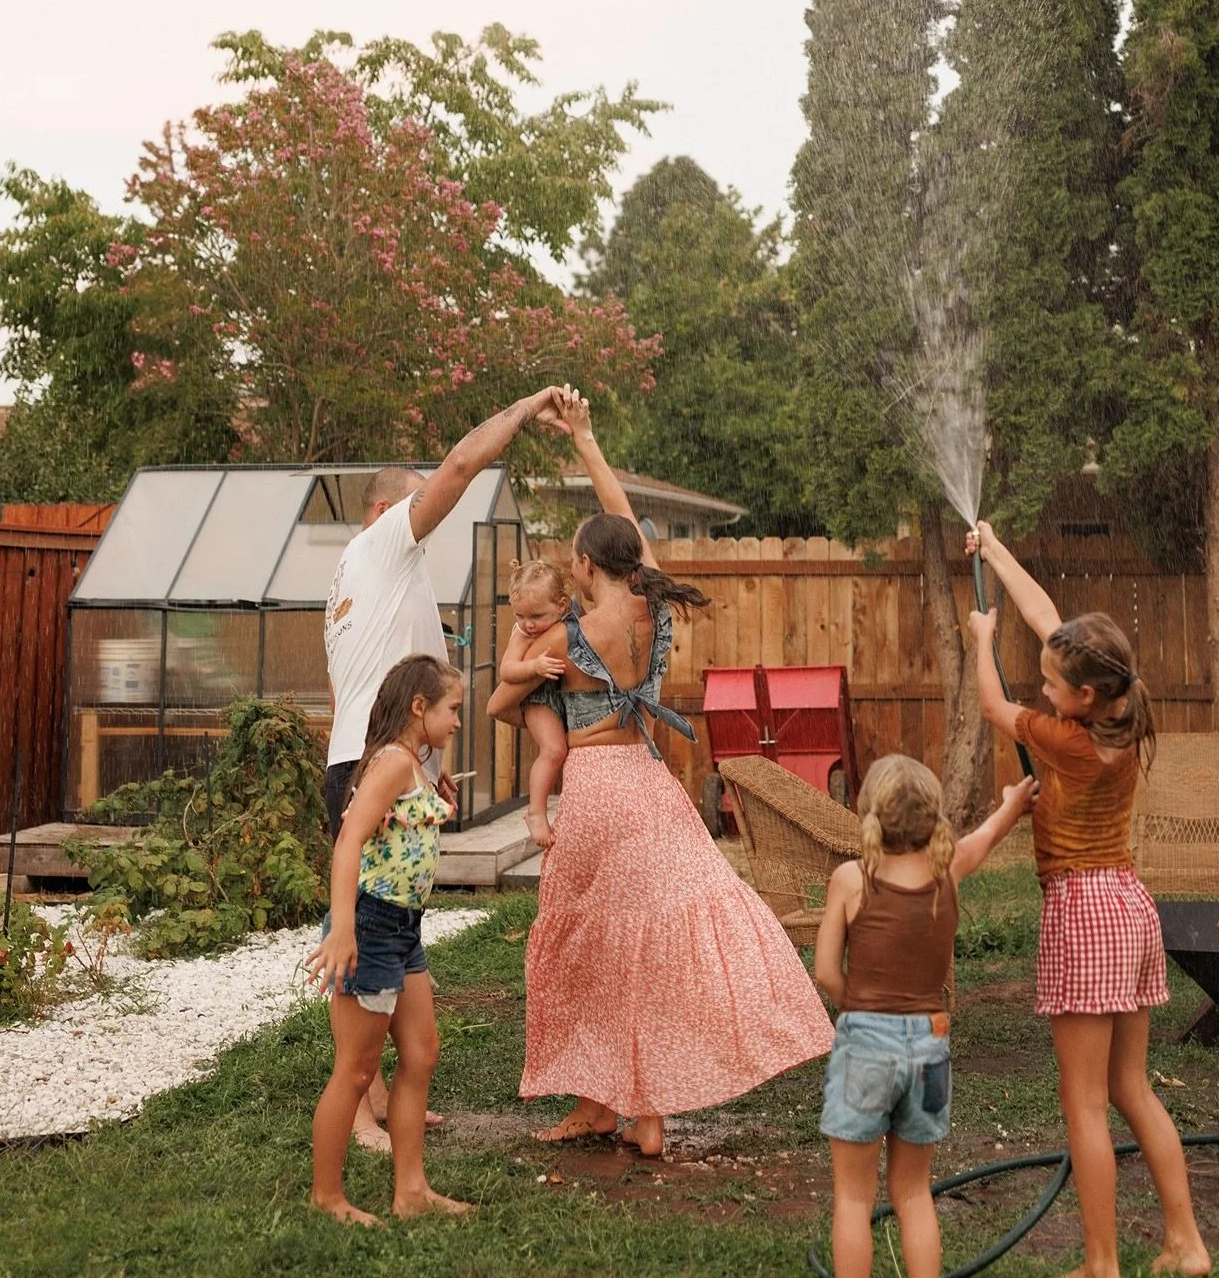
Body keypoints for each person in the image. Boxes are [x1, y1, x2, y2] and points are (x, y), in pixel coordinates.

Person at [514, 390, 835, 1157]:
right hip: (650, 784)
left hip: (593, 790)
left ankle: (604, 1102)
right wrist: (590, 445)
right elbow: (628, 525)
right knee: (649, 944)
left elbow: (512, 685)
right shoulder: (652, 609)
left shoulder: (570, 628)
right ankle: (640, 1111)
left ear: (586, 565)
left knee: (591, 945)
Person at [966, 520, 1211, 1278]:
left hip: (1083, 908)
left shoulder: (1068, 738)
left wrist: (980, 637)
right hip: (1131, 905)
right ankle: (1186, 1240)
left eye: (1051, 683)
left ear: (1082, 695)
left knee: (1083, 1101)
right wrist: (996, 550)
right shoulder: (1120, 706)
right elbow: (1050, 621)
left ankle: (1102, 1264)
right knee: (1131, 1087)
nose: (1041, 687)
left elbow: (990, 702)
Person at [323, 387, 563, 1149]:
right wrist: (523, 411)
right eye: (412, 507)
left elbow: (390, 679)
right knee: (366, 932)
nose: (424, 517)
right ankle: (358, 1111)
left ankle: (390, 1095)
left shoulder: (365, 578)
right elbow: (461, 464)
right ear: (385, 512)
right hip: (374, 768)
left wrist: (432, 765)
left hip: (387, 762)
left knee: (395, 925)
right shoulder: (382, 543)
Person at [813, 754, 1037, 1278]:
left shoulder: (850, 879)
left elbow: (827, 971)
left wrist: (856, 1007)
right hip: (931, 1044)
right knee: (912, 1192)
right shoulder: (949, 869)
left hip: (866, 1041)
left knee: (854, 1197)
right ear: (933, 816)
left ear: (870, 815)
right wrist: (1015, 802)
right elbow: (990, 830)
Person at [305, 653, 474, 1225]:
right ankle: (327, 1198)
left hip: (405, 929)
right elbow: (348, 841)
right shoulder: (393, 764)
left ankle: (411, 1192)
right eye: (453, 710)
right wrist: (344, 929)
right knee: (356, 1069)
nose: (457, 722)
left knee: (422, 1053)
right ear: (419, 706)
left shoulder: (413, 763)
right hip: (372, 927)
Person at [487, 559, 574, 850]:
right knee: (553, 749)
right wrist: (534, 667)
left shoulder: (570, 622)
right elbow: (507, 671)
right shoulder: (523, 633)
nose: (528, 623)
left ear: (562, 605)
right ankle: (536, 811)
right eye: (520, 615)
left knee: (565, 752)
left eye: (536, 615)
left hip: (561, 697)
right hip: (538, 698)